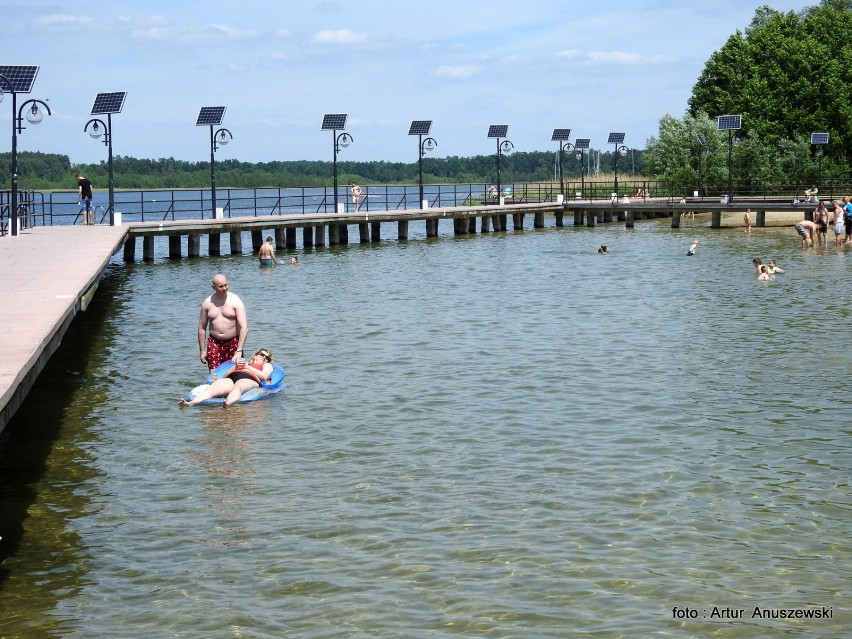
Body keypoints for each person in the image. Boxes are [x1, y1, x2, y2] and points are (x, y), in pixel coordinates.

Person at [180, 348, 274, 408]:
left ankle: (227, 404)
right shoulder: (244, 362)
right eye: (262, 354)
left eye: (267, 358)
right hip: (232, 377)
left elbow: (264, 376)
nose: (264, 358)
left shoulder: (267, 365)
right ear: (255, 355)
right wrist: (235, 366)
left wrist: (246, 367)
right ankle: (190, 403)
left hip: (250, 379)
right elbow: (224, 376)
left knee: (239, 387)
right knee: (215, 387)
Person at [197, 274, 248, 371]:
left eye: (226, 285)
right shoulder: (207, 303)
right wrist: (202, 351)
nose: (224, 288)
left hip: (233, 342)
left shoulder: (235, 301)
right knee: (214, 373)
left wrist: (239, 350)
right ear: (213, 287)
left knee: (234, 371)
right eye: (220, 286)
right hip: (214, 342)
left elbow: (244, 327)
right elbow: (201, 328)